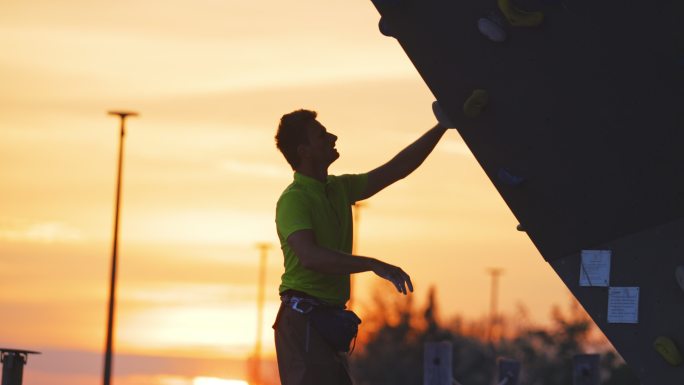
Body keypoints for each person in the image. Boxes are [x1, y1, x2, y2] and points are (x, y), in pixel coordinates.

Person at [273, 104, 454, 385]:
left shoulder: (339, 188)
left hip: (329, 321)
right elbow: (311, 257)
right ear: (303, 151)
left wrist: (443, 126)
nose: (333, 137)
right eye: (321, 136)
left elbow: (398, 169)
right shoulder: (294, 199)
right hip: (303, 322)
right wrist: (372, 264)